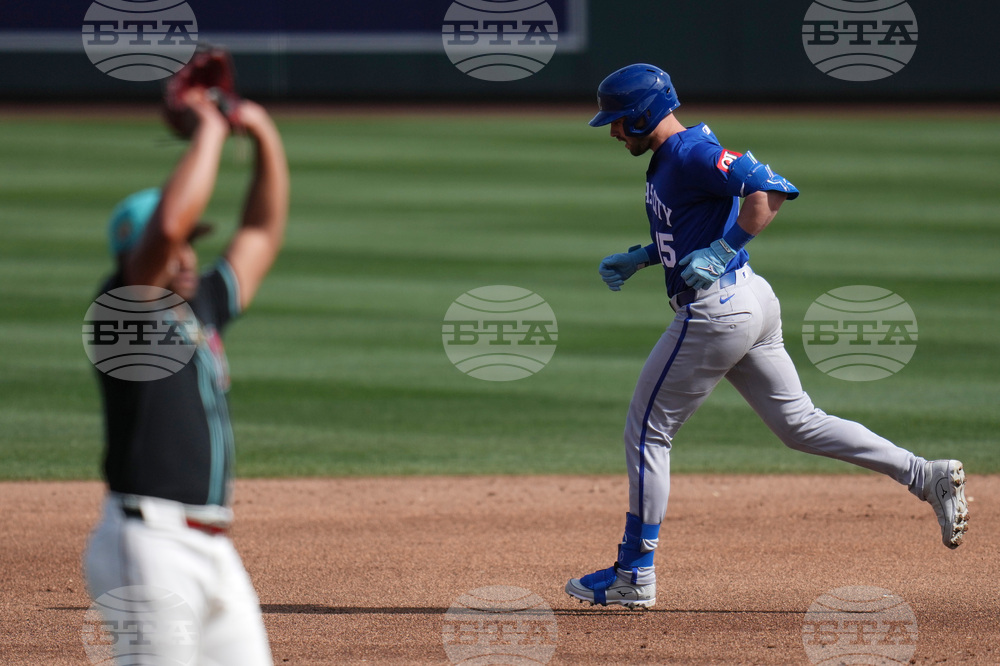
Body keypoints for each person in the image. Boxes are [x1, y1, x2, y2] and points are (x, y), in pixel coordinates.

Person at [564, 64, 969, 609]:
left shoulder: (689, 152)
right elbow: (692, 220)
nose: (613, 133)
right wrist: (646, 255)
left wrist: (725, 248)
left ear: (642, 114)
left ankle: (634, 576)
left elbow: (771, 191)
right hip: (750, 300)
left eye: (617, 122)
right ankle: (926, 475)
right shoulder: (671, 157)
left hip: (716, 311)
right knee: (800, 424)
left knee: (647, 434)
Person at [83, 87, 288, 662]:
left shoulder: (198, 307)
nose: (189, 256)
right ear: (138, 254)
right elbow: (172, 223)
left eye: (195, 247)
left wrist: (263, 131)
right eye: (176, 249)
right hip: (149, 546)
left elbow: (260, 234)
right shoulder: (123, 310)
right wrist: (210, 128)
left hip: (216, 547)